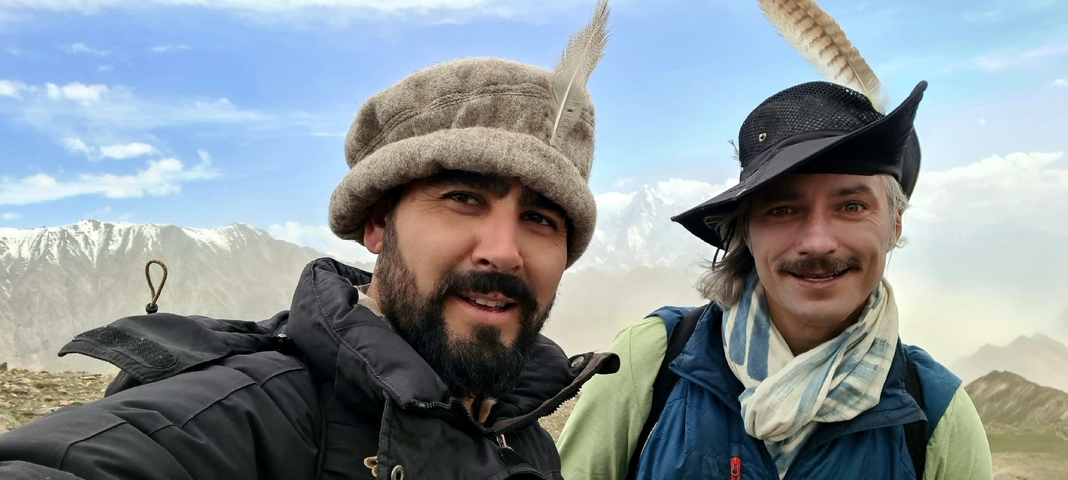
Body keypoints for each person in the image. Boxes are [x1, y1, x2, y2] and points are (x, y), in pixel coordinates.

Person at [0, 2, 617, 479]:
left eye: (541, 218)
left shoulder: (522, 430)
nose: (504, 250)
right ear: (377, 225)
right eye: (463, 198)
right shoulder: (251, 419)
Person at [558, 81, 993, 479]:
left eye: (851, 207)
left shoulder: (937, 416)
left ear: (894, 224)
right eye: (783, 209)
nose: (817, 241)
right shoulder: (648, 363)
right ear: (746, 231)